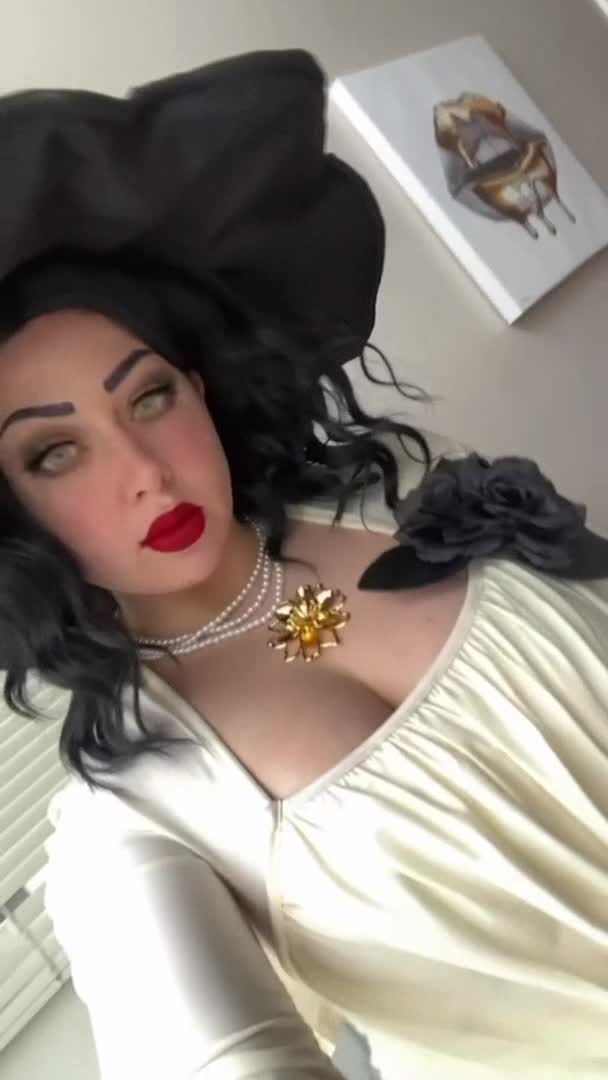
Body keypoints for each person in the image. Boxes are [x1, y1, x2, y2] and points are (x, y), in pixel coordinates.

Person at [1, 50, 608, 1080]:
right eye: (54, 453)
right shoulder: (133, 819)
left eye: (148, 396)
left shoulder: (403, 491)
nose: (146, 472)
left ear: (199, 388)